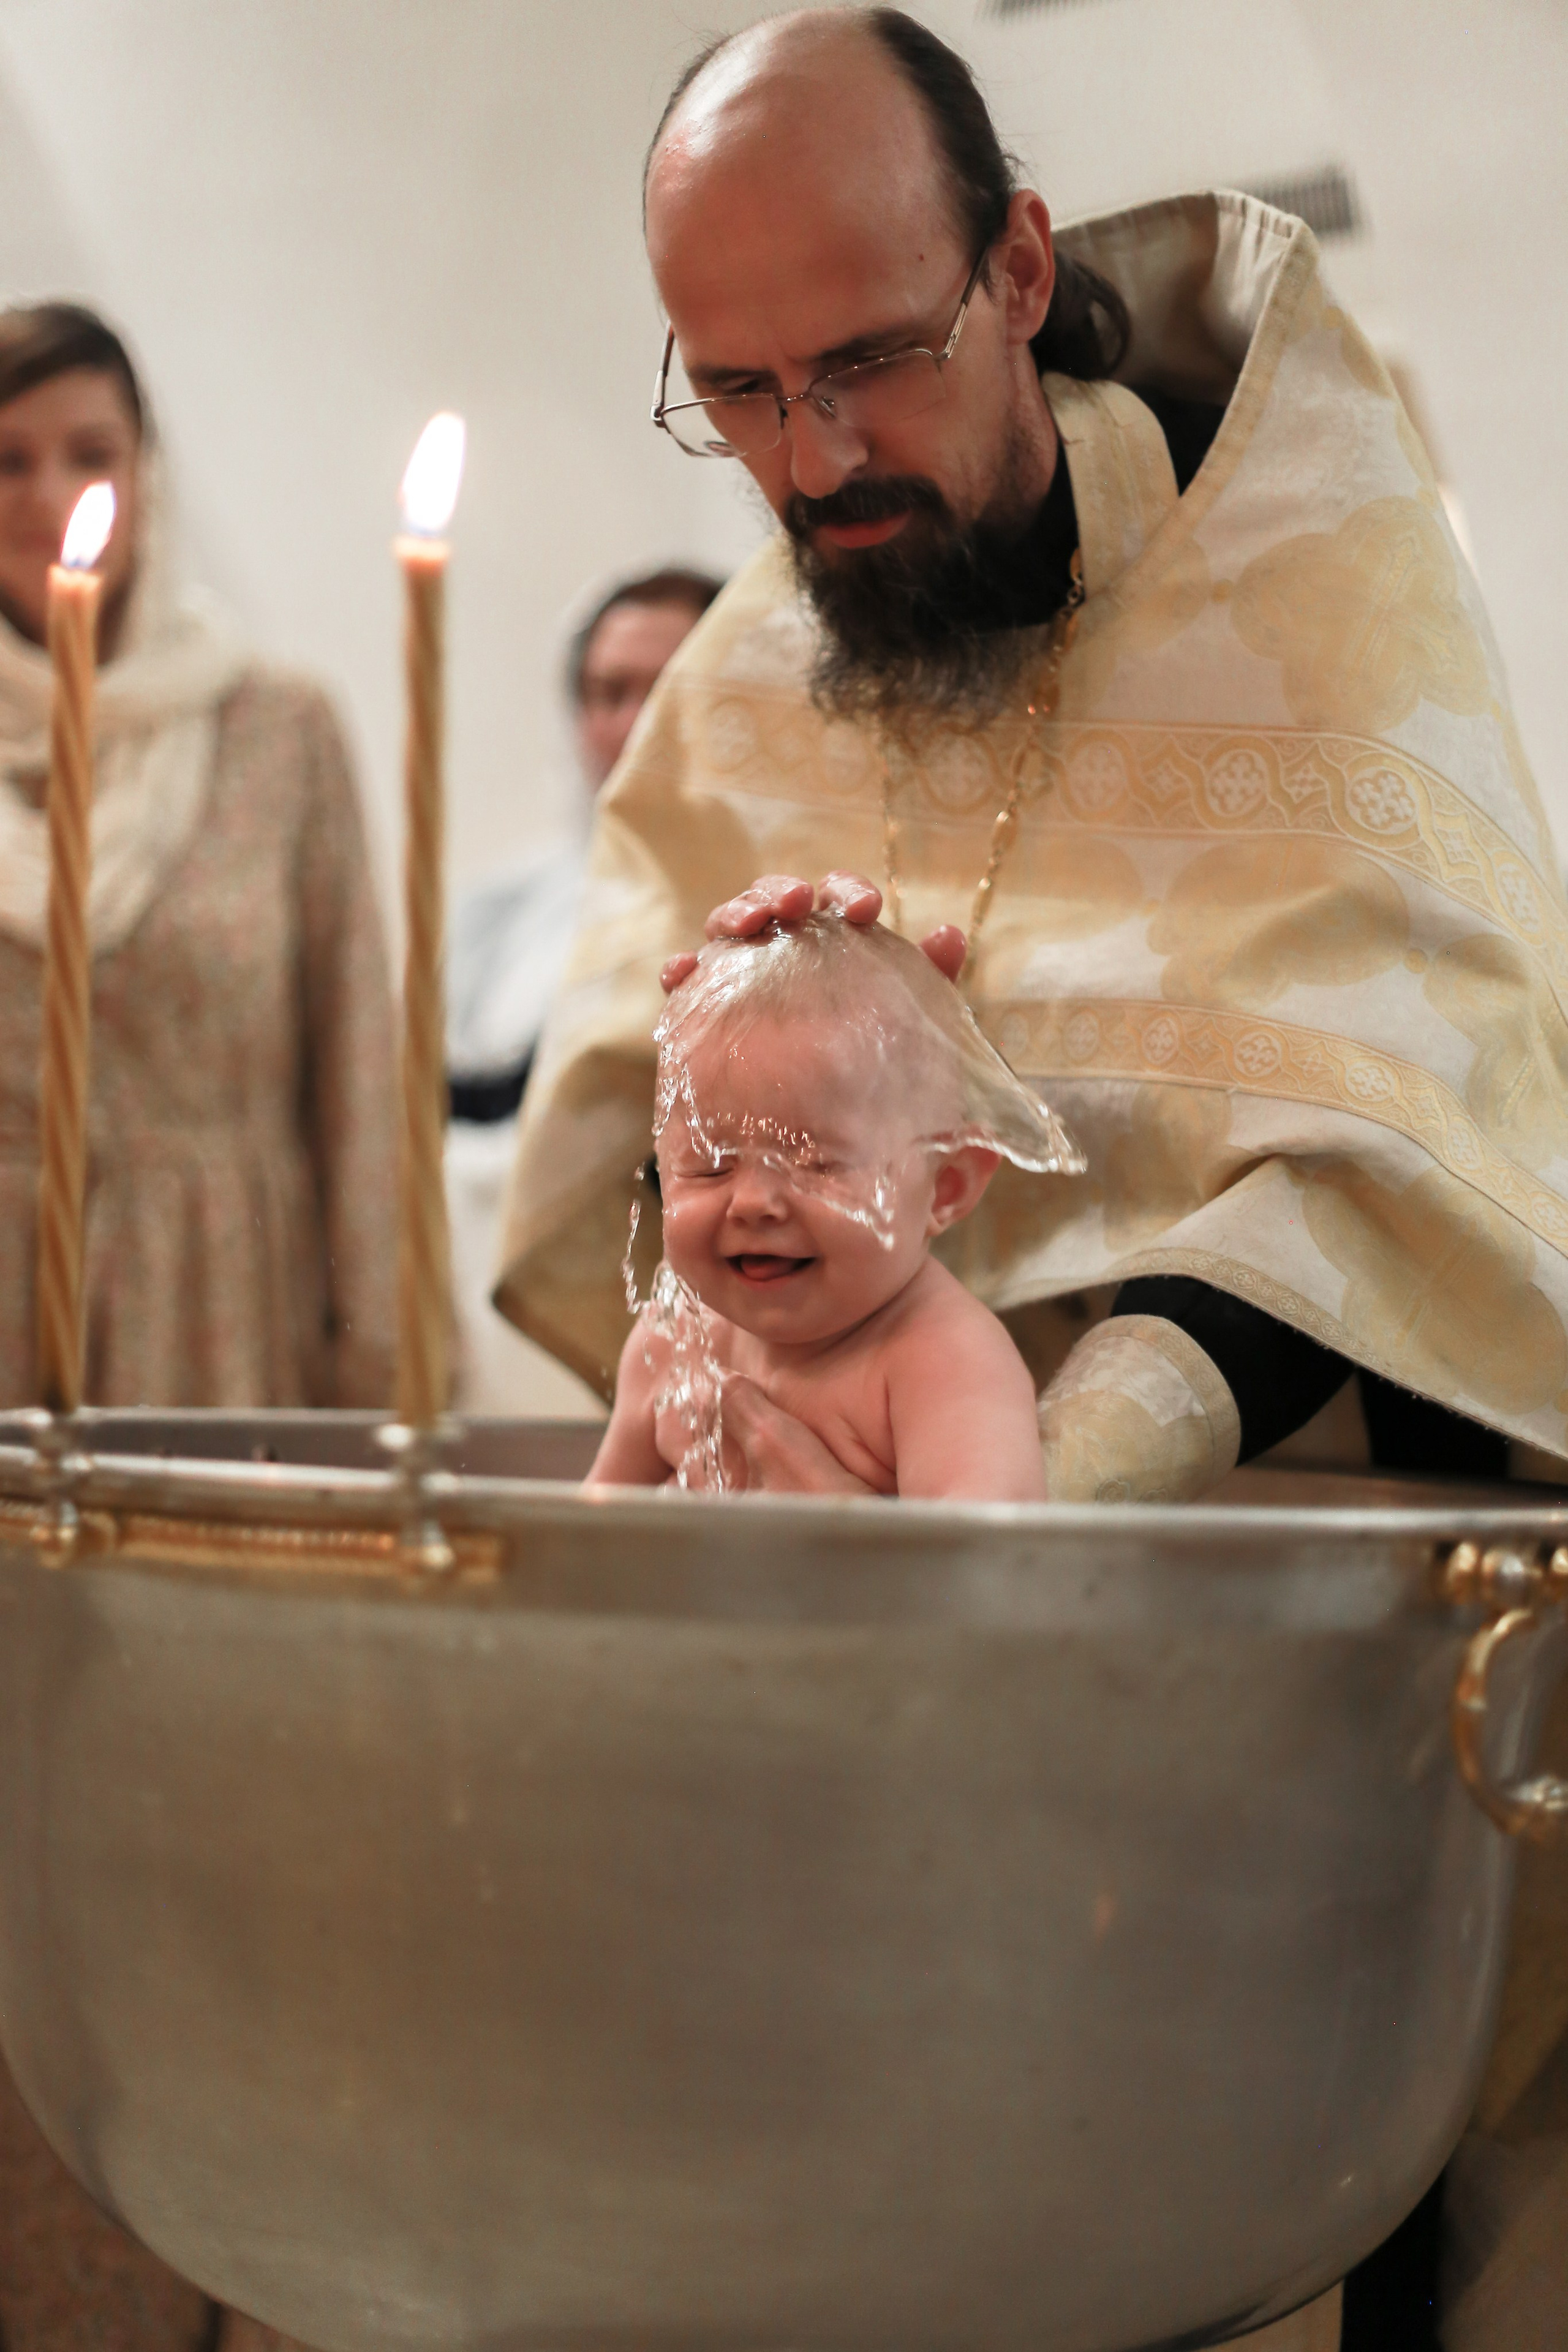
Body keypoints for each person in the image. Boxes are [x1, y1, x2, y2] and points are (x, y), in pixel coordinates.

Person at [495, 12, 1568, 2346]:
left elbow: (1410, 1136)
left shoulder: (1308, 582)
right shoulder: (761, 667)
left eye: (863, 366)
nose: (812, 462)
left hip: (1275, 1682)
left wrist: (1033, 1485)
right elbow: (600, 1136)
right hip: (858, 1733)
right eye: (737, 393)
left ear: (1010, 266)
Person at [0, 301, 396, 2348]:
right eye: (7, 462)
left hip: (231, 1343)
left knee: (233, 1845)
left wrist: (383, 1396)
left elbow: (358, 1072)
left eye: (90, 449)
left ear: (145, 470)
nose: (54, 494)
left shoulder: (280, 730)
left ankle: (247, 2271)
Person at [589, 909, 1079, 1496]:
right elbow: (586, 1534)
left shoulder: (943, 1361)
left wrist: (844, 1523)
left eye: (816, 1164)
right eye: (709, 1165)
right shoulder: (670, 1340)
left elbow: (984, 1551)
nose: (753, 1203)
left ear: (945, 1187)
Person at [443, 564, 720, 1411]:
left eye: (669, 687)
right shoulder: (498, 915)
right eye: (609, 693)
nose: (635, 723)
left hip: (676, 1342)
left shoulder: (772, 905)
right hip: (479, 1334)